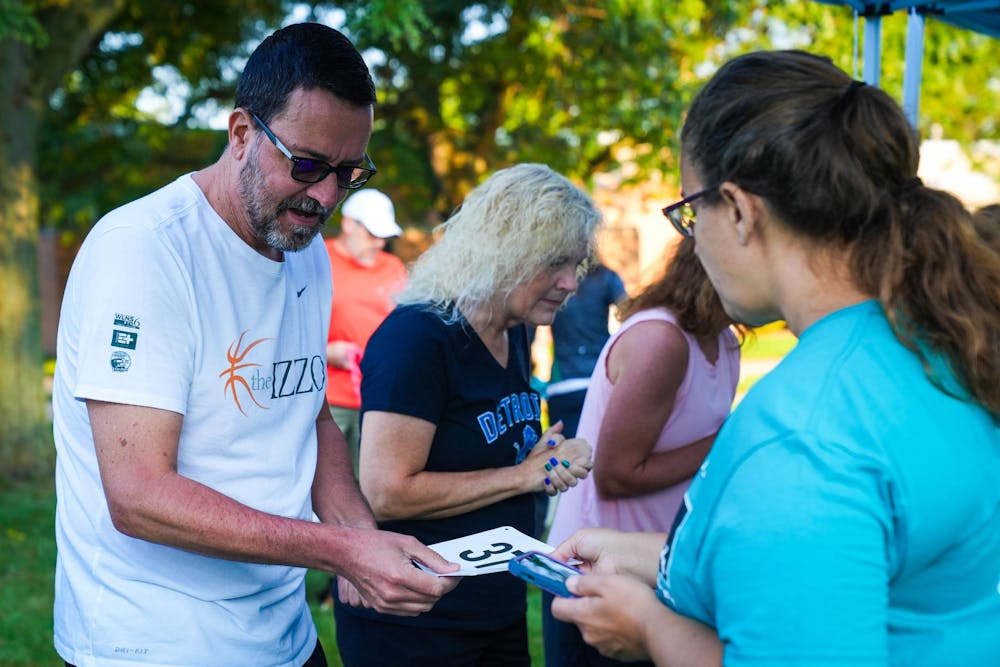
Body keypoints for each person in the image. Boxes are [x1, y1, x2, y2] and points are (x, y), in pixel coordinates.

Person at [549, 50, 1000, 666]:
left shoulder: (803, 436)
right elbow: (843, 561)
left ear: (736, 211)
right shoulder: (938, 347)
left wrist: (652, 628)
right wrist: (657, 555)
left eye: (689, 212)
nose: (692, 237)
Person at [51, 23, 458, 667]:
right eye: (307, 165)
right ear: (241, 134)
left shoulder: (306, 252)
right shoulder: (143, 251)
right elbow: (137, 495)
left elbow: (310, 413)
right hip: (154, 644)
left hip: (283, 634)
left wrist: (361, 539)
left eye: (348, 173)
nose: (326, 195)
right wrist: (339, 551)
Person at [332, 163, 601, 666]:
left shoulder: (517, 328)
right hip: (417, 621)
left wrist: (544, 456)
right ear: (505, 251)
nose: (570, 282)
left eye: (577, 265)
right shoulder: (418, 338)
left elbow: (486, 445)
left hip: (492, 607)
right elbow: (387, 491)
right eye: (555, 263)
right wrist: (522, 477)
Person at [542, 235, 742, 667]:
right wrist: (727, 444)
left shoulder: (725, 338)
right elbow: (615, 475)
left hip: (664, 569)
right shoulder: (660, 340)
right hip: (598, 578)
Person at [325, 188, 408, 477]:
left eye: (383, 236)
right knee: (330, 482)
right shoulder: (318, 259)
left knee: (372, 484)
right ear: (349, 223)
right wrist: (325, 353)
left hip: (378, 397)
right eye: (372, 233)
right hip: (329, 401)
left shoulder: (393, 267)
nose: (379, 242)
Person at [545, 262, 626, 438]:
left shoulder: (552, 280)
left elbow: (528, 333)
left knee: (567, 458)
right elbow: (629, 314)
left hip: (563, 384)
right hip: (600, 379)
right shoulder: (606, 277)